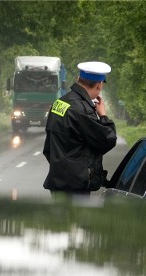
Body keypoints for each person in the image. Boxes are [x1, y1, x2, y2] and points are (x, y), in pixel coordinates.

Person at [42, 61, 117, 197]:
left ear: (79, 79)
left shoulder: (60, 102)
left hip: (58, 182)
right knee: (74, 219)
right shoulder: (82, 111)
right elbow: (108, 140)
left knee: (59, 218)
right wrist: (103, 115)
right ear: (99, 85)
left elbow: (48, 147)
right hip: (75, 186)